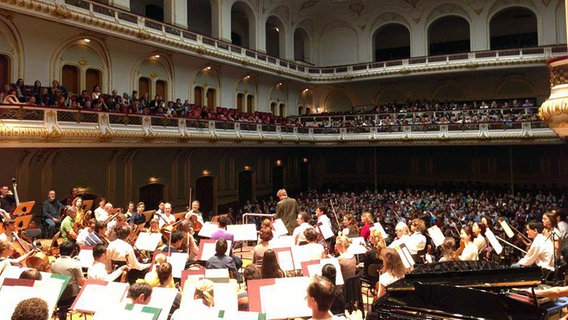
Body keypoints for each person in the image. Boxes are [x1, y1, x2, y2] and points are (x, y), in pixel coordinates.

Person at [50, 241, 85, 320]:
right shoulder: (75, 264)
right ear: (73, 252)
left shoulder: (53, 263)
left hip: (57, 297)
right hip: (70, 298)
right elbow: (82, 283)